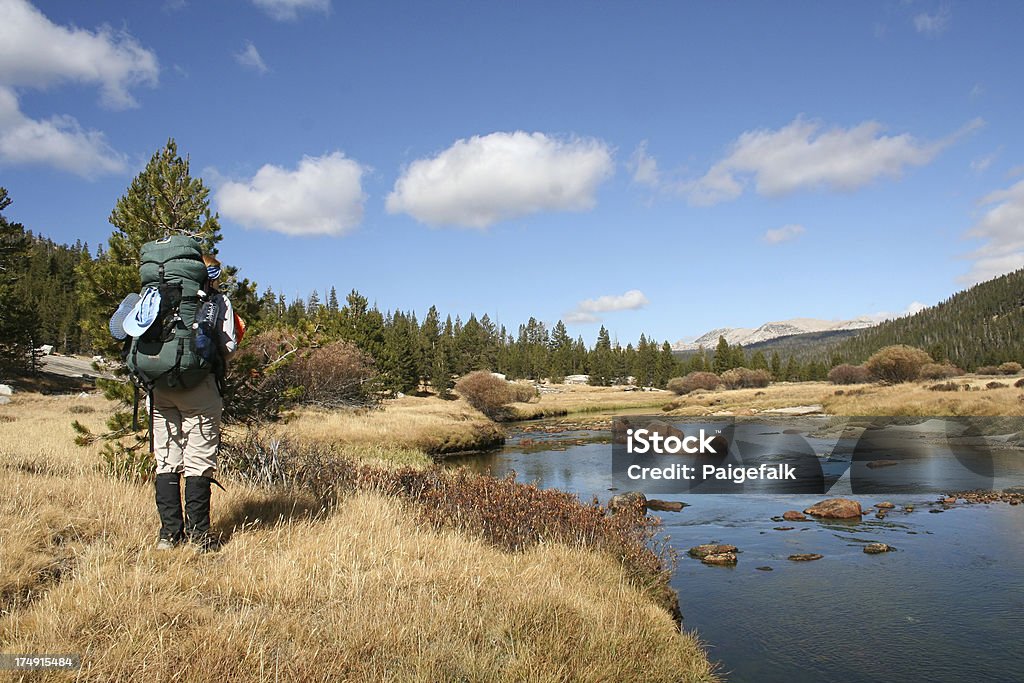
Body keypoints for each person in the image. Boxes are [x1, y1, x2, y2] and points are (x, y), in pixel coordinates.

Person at [153, 254, 237, 551]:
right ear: (210, 274)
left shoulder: (159, 293)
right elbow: (229, 347)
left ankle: (169, 536)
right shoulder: (217, 301)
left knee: (166, 460)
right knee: (198, 462)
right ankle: (200, 539)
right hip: (199, 387)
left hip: (161, 386)